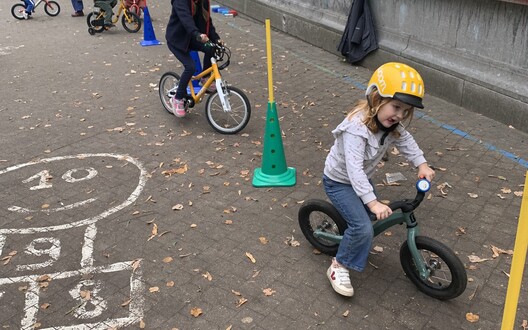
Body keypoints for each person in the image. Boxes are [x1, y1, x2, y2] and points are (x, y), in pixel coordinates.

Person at [323, 62, 435, 297]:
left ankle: (355, 238)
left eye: (405, 111)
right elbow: (353, 170)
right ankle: (338, 266)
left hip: (361, 180)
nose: (400, 115)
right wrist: (372, 201)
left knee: (365, 220)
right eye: (396, 106)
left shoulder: (389, 124)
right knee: (363, 226)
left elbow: (406, 141)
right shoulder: (357, 127)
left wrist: (421, 164)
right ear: (376, 98)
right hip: (339, 182)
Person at [165, 0, 222, 118]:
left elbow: (208, 22)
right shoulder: (180, 2)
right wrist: (197, 34)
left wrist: (216, 39)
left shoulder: (202, 2)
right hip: (177, 40)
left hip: (193, 37)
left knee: (211, 49)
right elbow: (186, 20)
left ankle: (205, 78)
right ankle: (178, 98)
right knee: (190, 67)